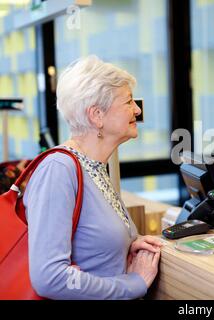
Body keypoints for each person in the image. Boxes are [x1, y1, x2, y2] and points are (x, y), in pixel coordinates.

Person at [24, 55, 162, 299]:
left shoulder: (93, 167)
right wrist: (133, 284)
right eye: (129, 101)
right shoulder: (58, 170)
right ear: (97, 115)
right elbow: (49, 278)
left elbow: (92, 247)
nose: (137, 110)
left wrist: (129, 245)